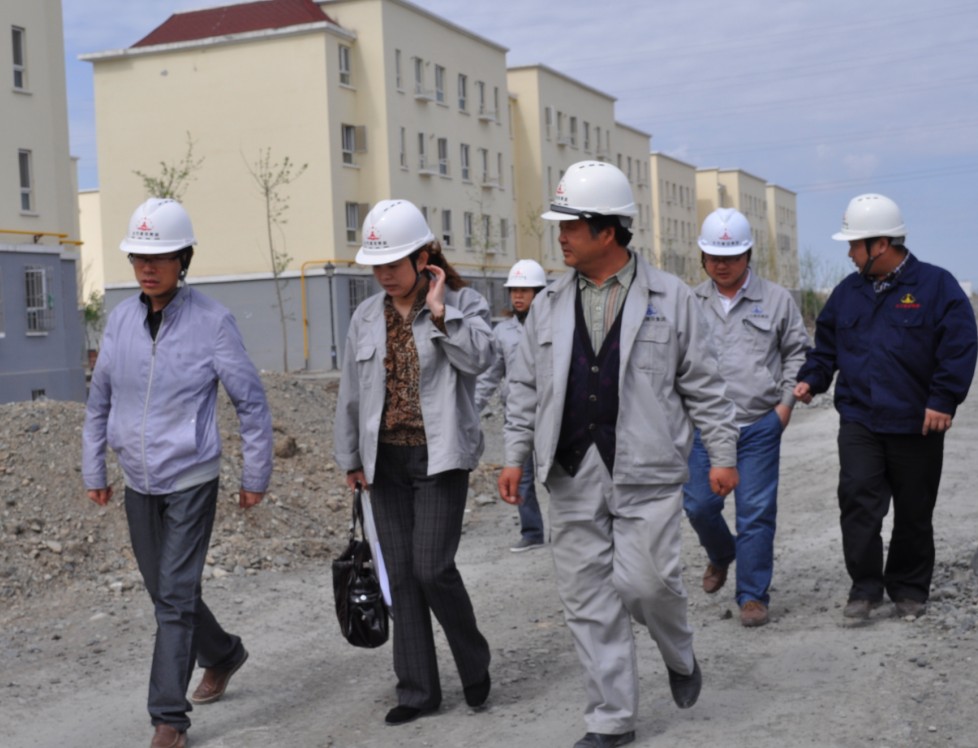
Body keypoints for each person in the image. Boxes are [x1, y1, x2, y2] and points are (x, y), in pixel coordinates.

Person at [497, 161, 739, 748]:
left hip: (646, 469)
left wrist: (723, 453)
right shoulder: (549, 304)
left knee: (646, 585)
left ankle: (678, 651)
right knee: (588, 600)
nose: (560, 237)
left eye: (570, 225)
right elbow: (524, 387)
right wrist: (514, 455)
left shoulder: (670, 298)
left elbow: (704, 384)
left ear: (607, 231)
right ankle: (611, 720)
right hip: (570, 471)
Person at [82, 198, 273, 748]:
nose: (147, 267)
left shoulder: (213, 322)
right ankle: (224, 653)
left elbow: (251, 402)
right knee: (166, 590)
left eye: (160, 256)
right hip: (137, 481)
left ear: (183, 259)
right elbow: (99, 401)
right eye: (139, 256)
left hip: (191, 478)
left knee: (173, 596)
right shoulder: (121, 320)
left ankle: (168, 718)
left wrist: (255, 475)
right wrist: (94, 467)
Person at [333, 199, 494, 726]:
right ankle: (418, 690)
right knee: (400, 575)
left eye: (393, 264)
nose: (383, 275)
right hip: (385, 462)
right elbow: (351, 392)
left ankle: (473, 663)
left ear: (424, 258)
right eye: (375, 266)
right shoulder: (365, 316)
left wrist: (442, 313)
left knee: (432, 568)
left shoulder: (465, 303)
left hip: (440, 457)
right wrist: (350, 457)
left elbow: (481, 360)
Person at [793, 193, 977, 622]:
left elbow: (959, 346)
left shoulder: (936, 287)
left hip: (917, 421)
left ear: (879, 244)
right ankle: (865, 587)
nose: (849, 254)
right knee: (857, 500)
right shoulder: (847, 293)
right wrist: (812, 379)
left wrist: (943, 399)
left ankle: (909, 587)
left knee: (914, 509)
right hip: (861, 419)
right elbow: (826, 348)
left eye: (854, 245)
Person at [683, 208, 810, 627]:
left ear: (748, 255)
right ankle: (722, 553)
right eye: (714, 257)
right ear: (703, 257)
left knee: (755, 511)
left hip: (758, 424)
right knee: (699, 504)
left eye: (732, 257)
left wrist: (784, 407)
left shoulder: (776, 300)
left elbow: (796, 353)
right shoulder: (689, 303)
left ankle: (753, 595)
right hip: (704, 428)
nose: (722, 265)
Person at [475, 259, 548, 553]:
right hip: (517, 414)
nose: (518, 296)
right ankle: (532, 532)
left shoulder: (553, 326)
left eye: (525, 290)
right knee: (523, 475)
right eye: (514, 290)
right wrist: (471, 408)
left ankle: (572, 529)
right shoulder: (502, 332)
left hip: (552, 413)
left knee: (558, 475)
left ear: (539, 293)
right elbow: (490, 375)